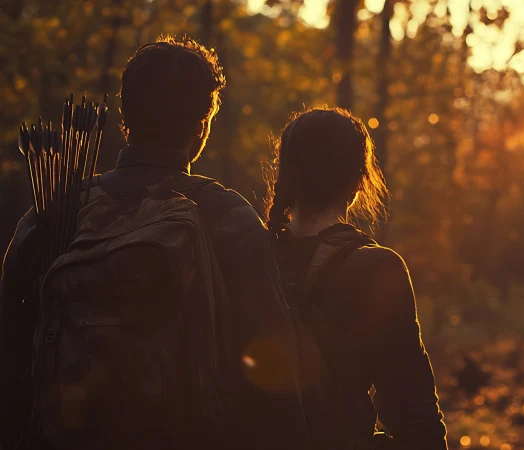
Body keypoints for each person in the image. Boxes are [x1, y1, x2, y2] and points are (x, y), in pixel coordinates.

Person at [0, 36, 308, 449]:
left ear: (124, 115)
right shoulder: (228, 218)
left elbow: (11, 355)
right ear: (203, 123)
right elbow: (275, 371)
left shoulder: (52, 211)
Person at [264, 107, 448, 449]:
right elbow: (411, 410)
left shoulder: (247, 256)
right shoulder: (376, 268)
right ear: (359, 182)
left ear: (286, 175)